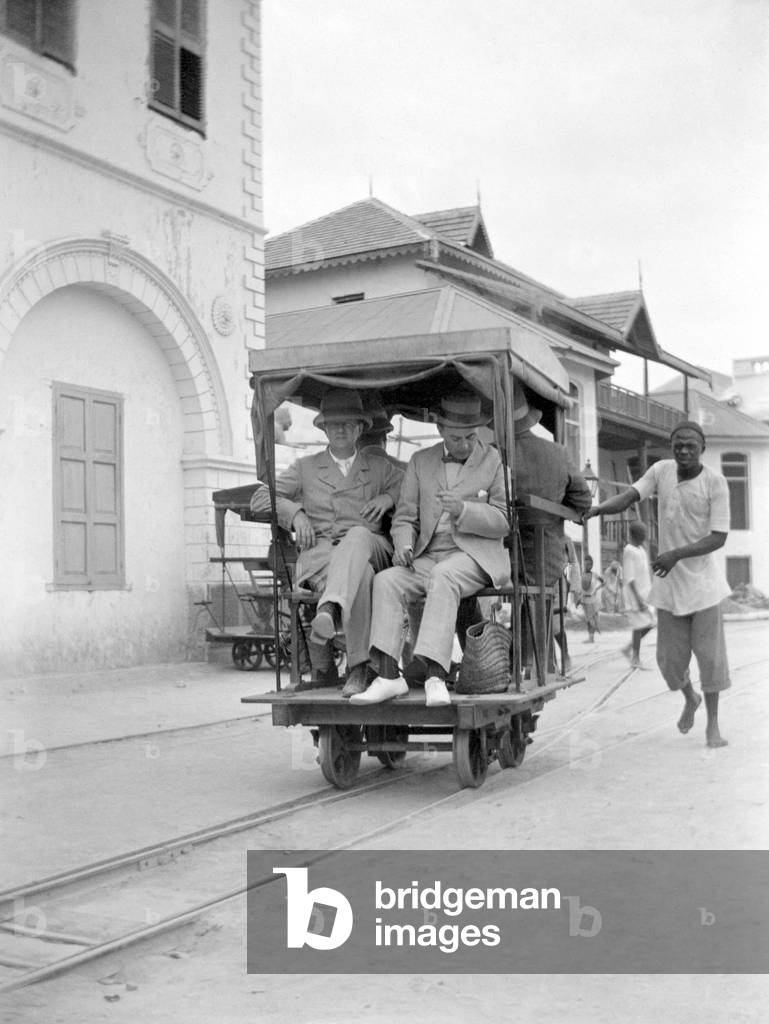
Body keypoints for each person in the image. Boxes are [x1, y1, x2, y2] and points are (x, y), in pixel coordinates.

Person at [349, 390, 511, 706]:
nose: (463, 444)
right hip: (428, 555)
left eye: (469, 436)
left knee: (444, 576)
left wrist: (465, 510)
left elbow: (503, 519)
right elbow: (406, 516)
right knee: (387, 580)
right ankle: (388, 676)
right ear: (440, 430)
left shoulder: (493, 460)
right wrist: (404, 545)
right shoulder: (420, 462)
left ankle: (436, 676)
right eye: (455, 437)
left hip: (474, 557)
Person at [582, 421, 730, 747]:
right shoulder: (661, 470)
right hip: (669, 585)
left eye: (691, 444)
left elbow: (718, 537)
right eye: (678, 443)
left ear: (702, 448)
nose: (684, 449)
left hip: (705, 586)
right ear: (672, 446)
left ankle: (713, 726)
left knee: (710, 658)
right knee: (669, 661)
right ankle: (691, 698)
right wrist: (596, 510)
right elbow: (629, 496)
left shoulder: (716, 483)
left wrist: (675, 554)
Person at [250, 388, 403, 692]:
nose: (341, 430)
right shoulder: (305, 468)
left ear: (360, 428)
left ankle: (330, 608)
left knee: (359, 535)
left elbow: (412, 486)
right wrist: (295, 514)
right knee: (362, 576)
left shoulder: (379, 467)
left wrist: (387, 497)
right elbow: (259, 498)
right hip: (323, 555)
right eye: (334, 424)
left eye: (348, 423)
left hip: (371, 547)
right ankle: (359, 669)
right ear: (323, 429)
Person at [512, 385, 592, 672]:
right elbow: (584, 498)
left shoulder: (496, 453)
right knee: (543, 602)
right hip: (547, 553)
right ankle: (537, 665)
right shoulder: (557, 453)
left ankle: (516, 662)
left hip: (501, 551)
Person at [621, 520, 653, 669]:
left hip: (645, 594)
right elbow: (629, 578)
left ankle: (629, 650)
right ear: (635, 534)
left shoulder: (641, 549)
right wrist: (638, 600)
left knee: (649, 623)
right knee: (640, 626)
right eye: (643, 533)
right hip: (635, 596)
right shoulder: (629, 550)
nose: (645, 536)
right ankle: (635, 657)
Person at [577, 555, 604, 642]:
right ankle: (590, 637)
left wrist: (596, 589)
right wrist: (579, 599)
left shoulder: (595, 575)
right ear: (583, 564)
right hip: (584, 600)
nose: (588, 566)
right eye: (586, 564)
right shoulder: (581, 575)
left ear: (592, 565)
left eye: (590, 564)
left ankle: (591, 638)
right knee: (588, 620)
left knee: (591, 619)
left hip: (592, 600)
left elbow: (604, 582)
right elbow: (580, 588)